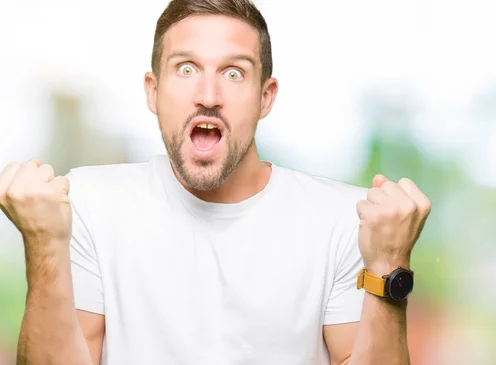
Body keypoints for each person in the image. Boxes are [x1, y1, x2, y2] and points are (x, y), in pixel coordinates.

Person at [0, 0, 431, 364]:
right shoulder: (90, 205)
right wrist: (43, 244)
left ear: (266, 96)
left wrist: (388, 265)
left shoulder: (340, 220)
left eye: (234, 73)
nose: (208, 95)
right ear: (153, 91)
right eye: (185, 69)